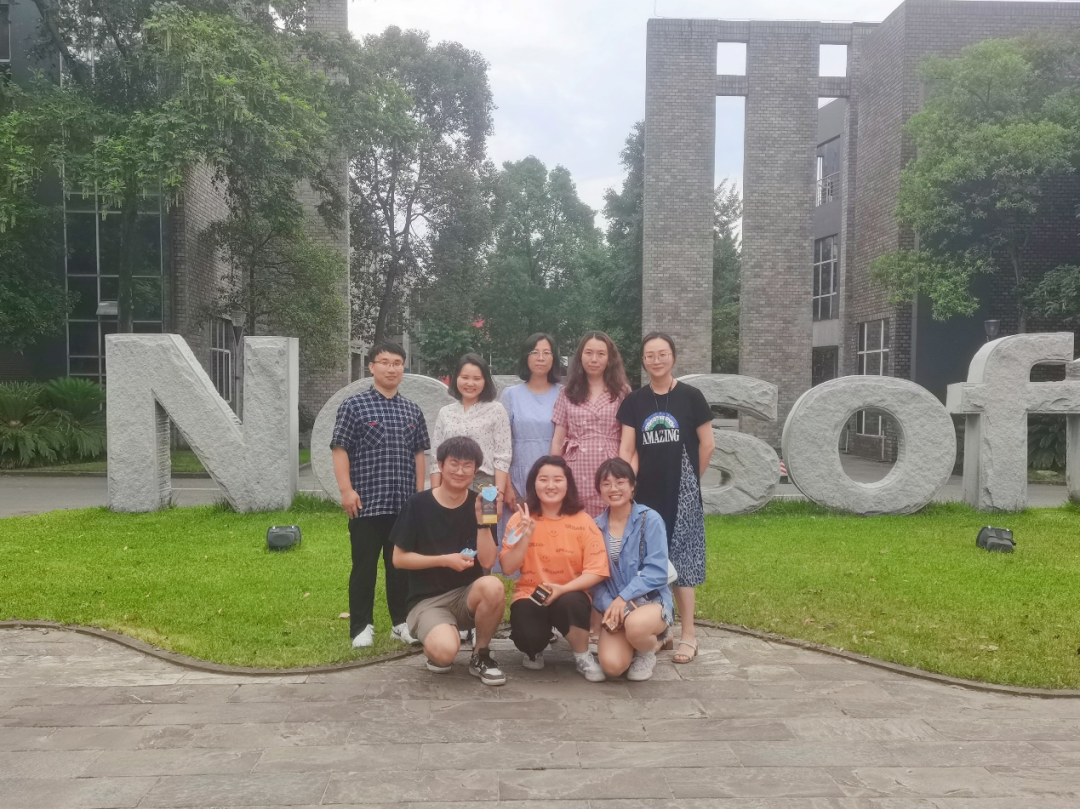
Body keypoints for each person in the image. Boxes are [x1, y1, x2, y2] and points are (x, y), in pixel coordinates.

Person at [618, 332, 715, 664]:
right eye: (650, 355)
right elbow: (627, 449)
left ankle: (689, 635)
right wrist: (626, 487)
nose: (656, 360)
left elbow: (708, 444)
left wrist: (690, 480)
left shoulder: (691, 396)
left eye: (662, 354)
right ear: (643, 361)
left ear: (672, 357)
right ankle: (662, 629)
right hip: (645, 492)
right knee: (649, 561)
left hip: (683, 491)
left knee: (684, 563)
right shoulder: (634, 401)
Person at [331, 341, 429, 649]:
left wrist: (419, 497)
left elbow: (419, 455)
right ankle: (361, 626)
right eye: (385, 362)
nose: (391, 368)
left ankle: (401, 623)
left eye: (397, 363)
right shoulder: (354, 406)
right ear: (371, 367)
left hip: (403, 505)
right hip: (366, 503)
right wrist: (346, 490)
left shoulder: (412, 410)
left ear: (403, 368)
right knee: (364, 567)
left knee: (400, 567)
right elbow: (340, 449)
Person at [391, 436, 508, 686]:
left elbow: (488, 562)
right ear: (441, 465)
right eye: (454, 463)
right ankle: (440, 640)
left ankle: (481, 654)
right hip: (427, 601)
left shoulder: (482, 503)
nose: (460, 471)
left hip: (467, 595)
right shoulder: (418, 504)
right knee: (445, 653)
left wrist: (482, 522)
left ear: (475, 470)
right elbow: (398, 559)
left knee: (493, 586)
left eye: (467, 465)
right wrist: (445, 560)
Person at [499, 456, 609, 682]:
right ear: (534, 483)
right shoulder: (521, 519)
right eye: (543, 479)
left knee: (572, 602)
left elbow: (597, 570)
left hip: (569, 592)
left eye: (558, 480)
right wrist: (526, 536)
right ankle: (534, 649)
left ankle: (582, 655)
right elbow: (508, 568)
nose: (550, 486)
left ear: (568, 484)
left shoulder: (583, 521)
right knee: (528, 633)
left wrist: (562, 589)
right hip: (531, 593)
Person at [591, 458, 674, 681]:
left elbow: (657, 571)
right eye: (606, 484)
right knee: (612, 666)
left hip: (650, 601)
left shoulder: (650, 519)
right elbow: (594, 578)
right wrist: (611, 607)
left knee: (635, 626)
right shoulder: (595, 527)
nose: (613, 489)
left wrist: (623, 598)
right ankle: (641, 641)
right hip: (615, 606)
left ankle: (649, 649)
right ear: (599, 489)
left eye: (620, 482)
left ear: (632, 486)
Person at [551, 331, 630, 518]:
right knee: (577, 522)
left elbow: (628, 441)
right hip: (577, 468)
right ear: (580, 356)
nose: (594, 359)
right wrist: (554, 474)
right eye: (588, 353)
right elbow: (558, 440)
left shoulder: (622, 391)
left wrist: (625, 474)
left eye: (601, 354)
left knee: (612, 522)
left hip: (610, 468)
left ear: (609, 359)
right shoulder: (567, 392)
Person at [429, 353, 511, 499]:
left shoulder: (496, 410)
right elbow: (436, 457)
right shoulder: (445, 412)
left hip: (485, 484)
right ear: (456, 378)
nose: (470, 383)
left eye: (477, 379)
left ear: (485, 381)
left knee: (485, 515)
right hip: (450, 482)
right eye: (465, 377)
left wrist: (499, 492)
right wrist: (434, 492)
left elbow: (502, 456)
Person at [499, 334, 562, 516]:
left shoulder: (564, 394)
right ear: (525, 357)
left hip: (552, 479)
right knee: (517, 529)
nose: (540, 358)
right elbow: (502, 444)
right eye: (534, 352)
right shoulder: (510, 395)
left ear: (554, 358)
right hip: (517, 479)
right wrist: (507, 486)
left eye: (546, 353)